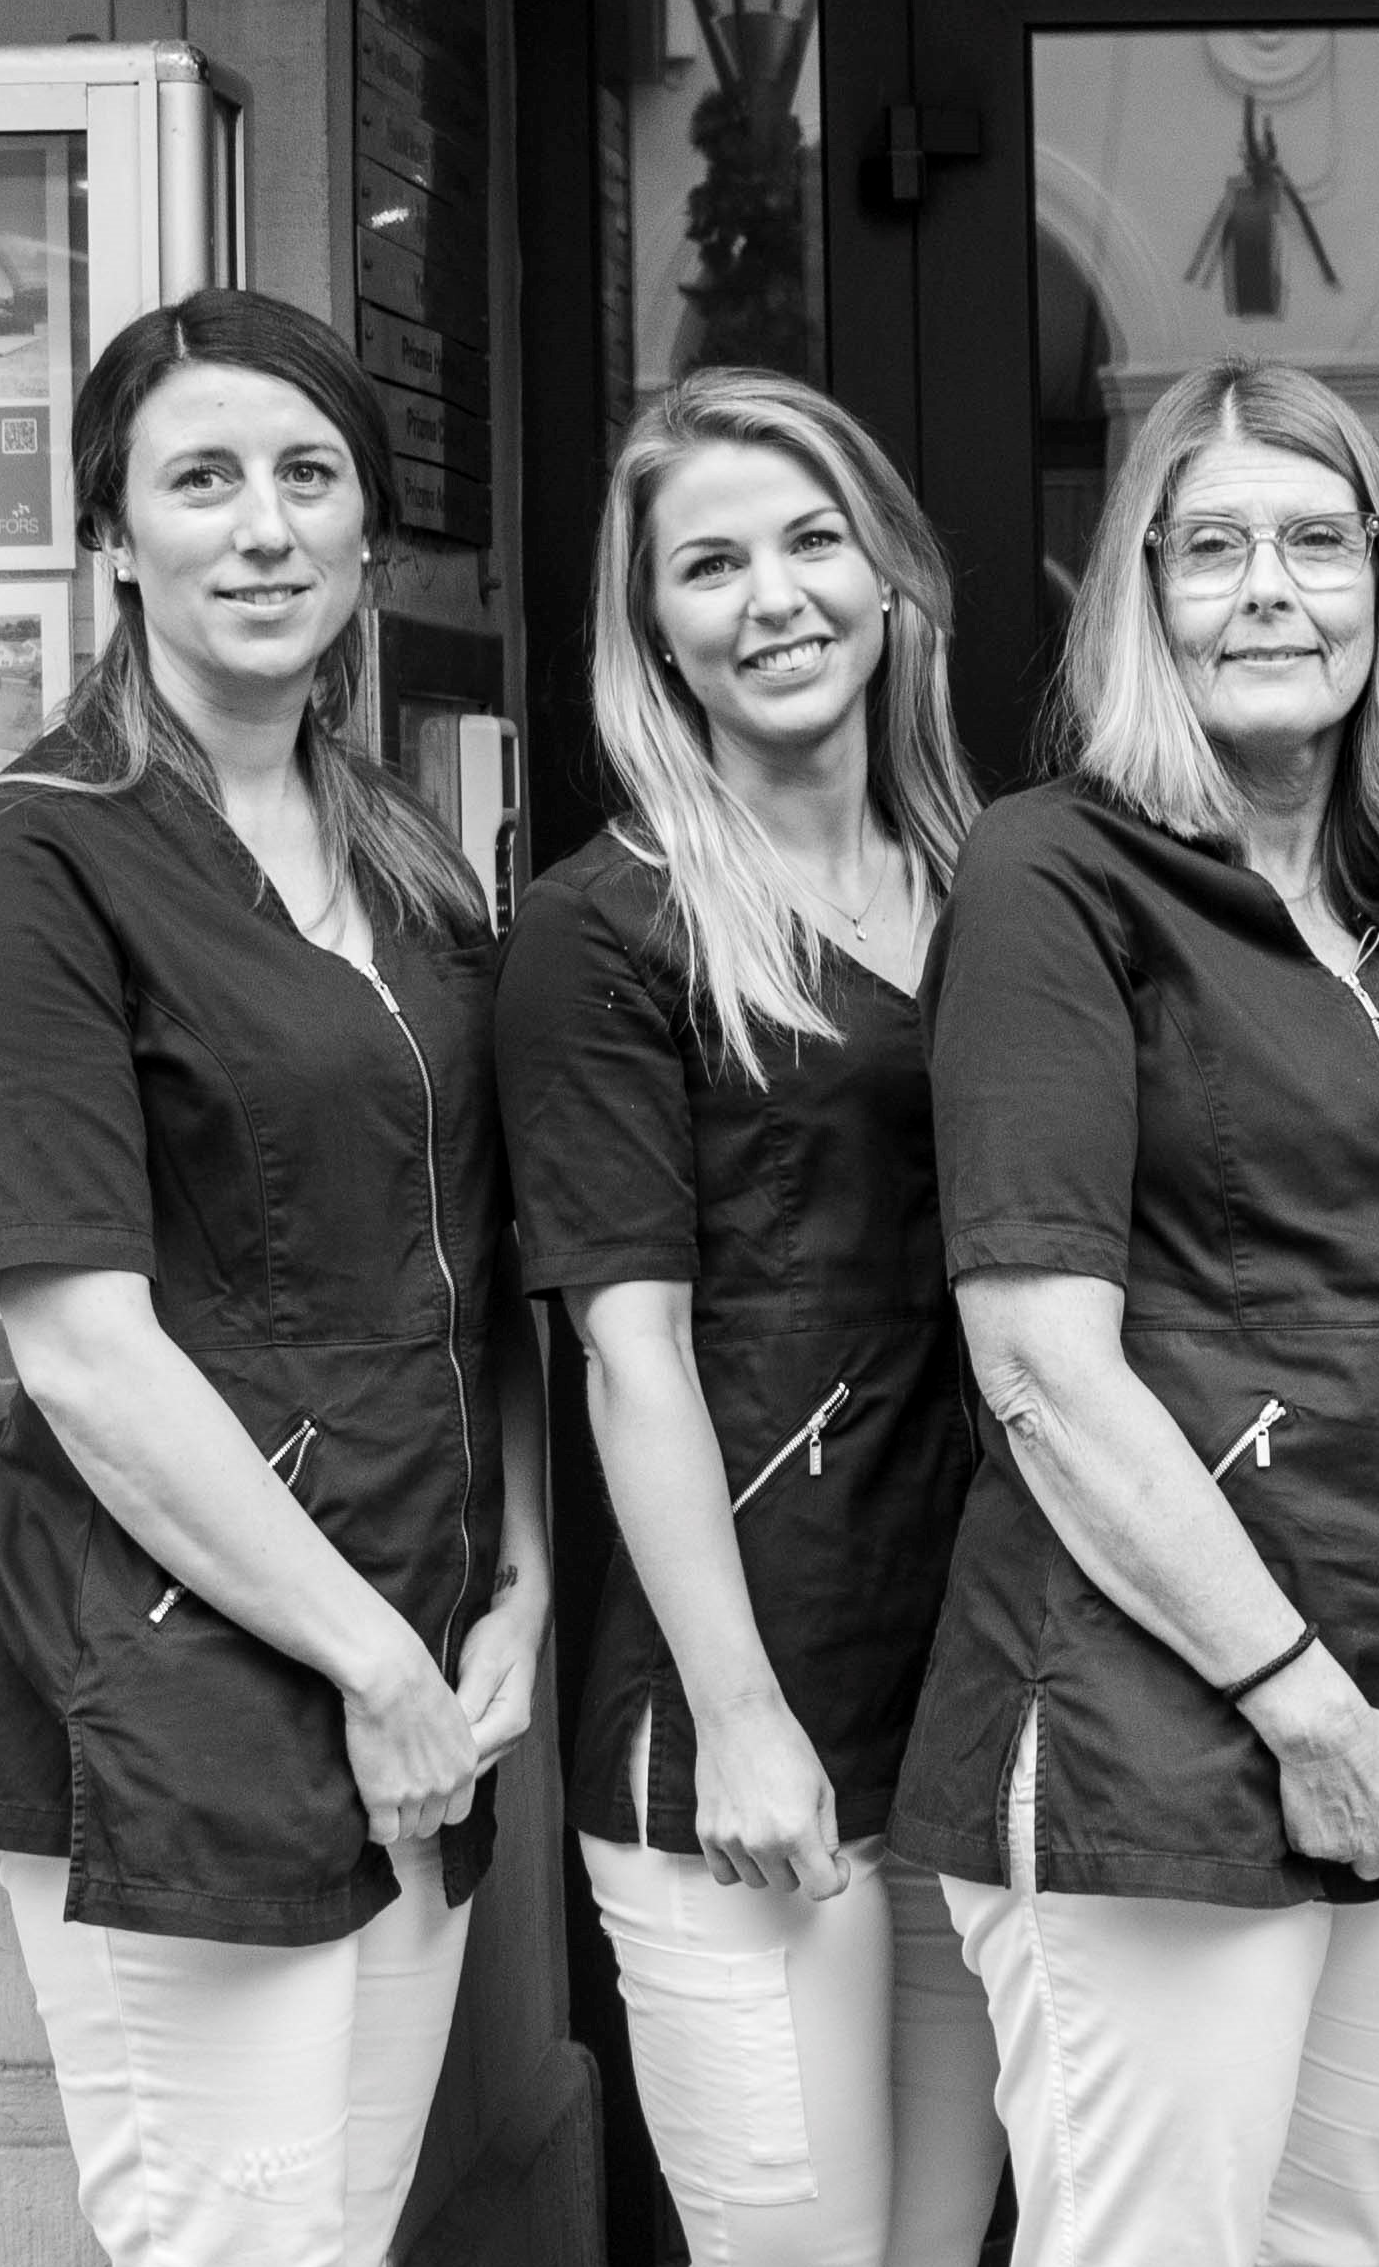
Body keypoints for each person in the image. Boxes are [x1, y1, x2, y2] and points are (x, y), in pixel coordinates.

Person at [0, 286, 538, 2267]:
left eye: (307, 475)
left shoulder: (410, 861)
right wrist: (378, 1663)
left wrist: (521, 1579)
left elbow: (478, 1261)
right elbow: (89, 1357)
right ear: (114, 537)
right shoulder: (30, 863)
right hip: (183, 1684)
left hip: (423, 1668)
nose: (263, 528)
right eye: (201, 482)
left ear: (368, 537)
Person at [900, 359, 1379, 2264]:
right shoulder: (1052, 871)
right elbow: (1037, 1363)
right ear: (1143, 597)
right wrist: (1301, 1705)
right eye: (1211, 549)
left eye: (1317, 542)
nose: (1270, 589)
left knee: (1344, 2236)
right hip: (1151, 1732)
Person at [499, 367, 1003, 2266]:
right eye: (709, 565)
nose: (773, 596)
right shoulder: (609, 925)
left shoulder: (996, 886)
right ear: (654, 632)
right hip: (747, 1703)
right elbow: (625, 1354)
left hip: (977, 1691)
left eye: (812, 541)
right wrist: (738, 1719)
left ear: (891, 577)